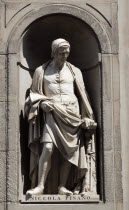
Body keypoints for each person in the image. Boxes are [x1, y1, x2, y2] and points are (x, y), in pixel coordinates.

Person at [25, 38, 96, 195]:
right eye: (61, 53)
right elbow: (33, 94)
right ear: (53, 52)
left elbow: (83, 95)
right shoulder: (41, 71)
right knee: (48, 147)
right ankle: (40, 186)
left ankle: (62, 186)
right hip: (52, 112)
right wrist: (41, 104)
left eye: (67, 53)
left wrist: (87, 117)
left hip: (72, 114)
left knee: (70, 151)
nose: (64, 56)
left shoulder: (74, 71)